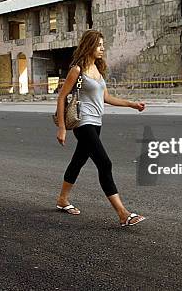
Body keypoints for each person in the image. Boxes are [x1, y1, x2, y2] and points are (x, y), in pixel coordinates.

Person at [55, 30, 147, 227]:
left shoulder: (97, 70)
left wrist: (132, 104)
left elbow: (107, 98)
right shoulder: (77, 70)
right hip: (83, 122)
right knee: (105, 164)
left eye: (103, 45)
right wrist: (62, 127)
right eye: (98, 45)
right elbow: (62, 97)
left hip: (96, 122)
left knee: (78, 161)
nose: (102, 48)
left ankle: (62, 199)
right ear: (89, 46)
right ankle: (123, 214)